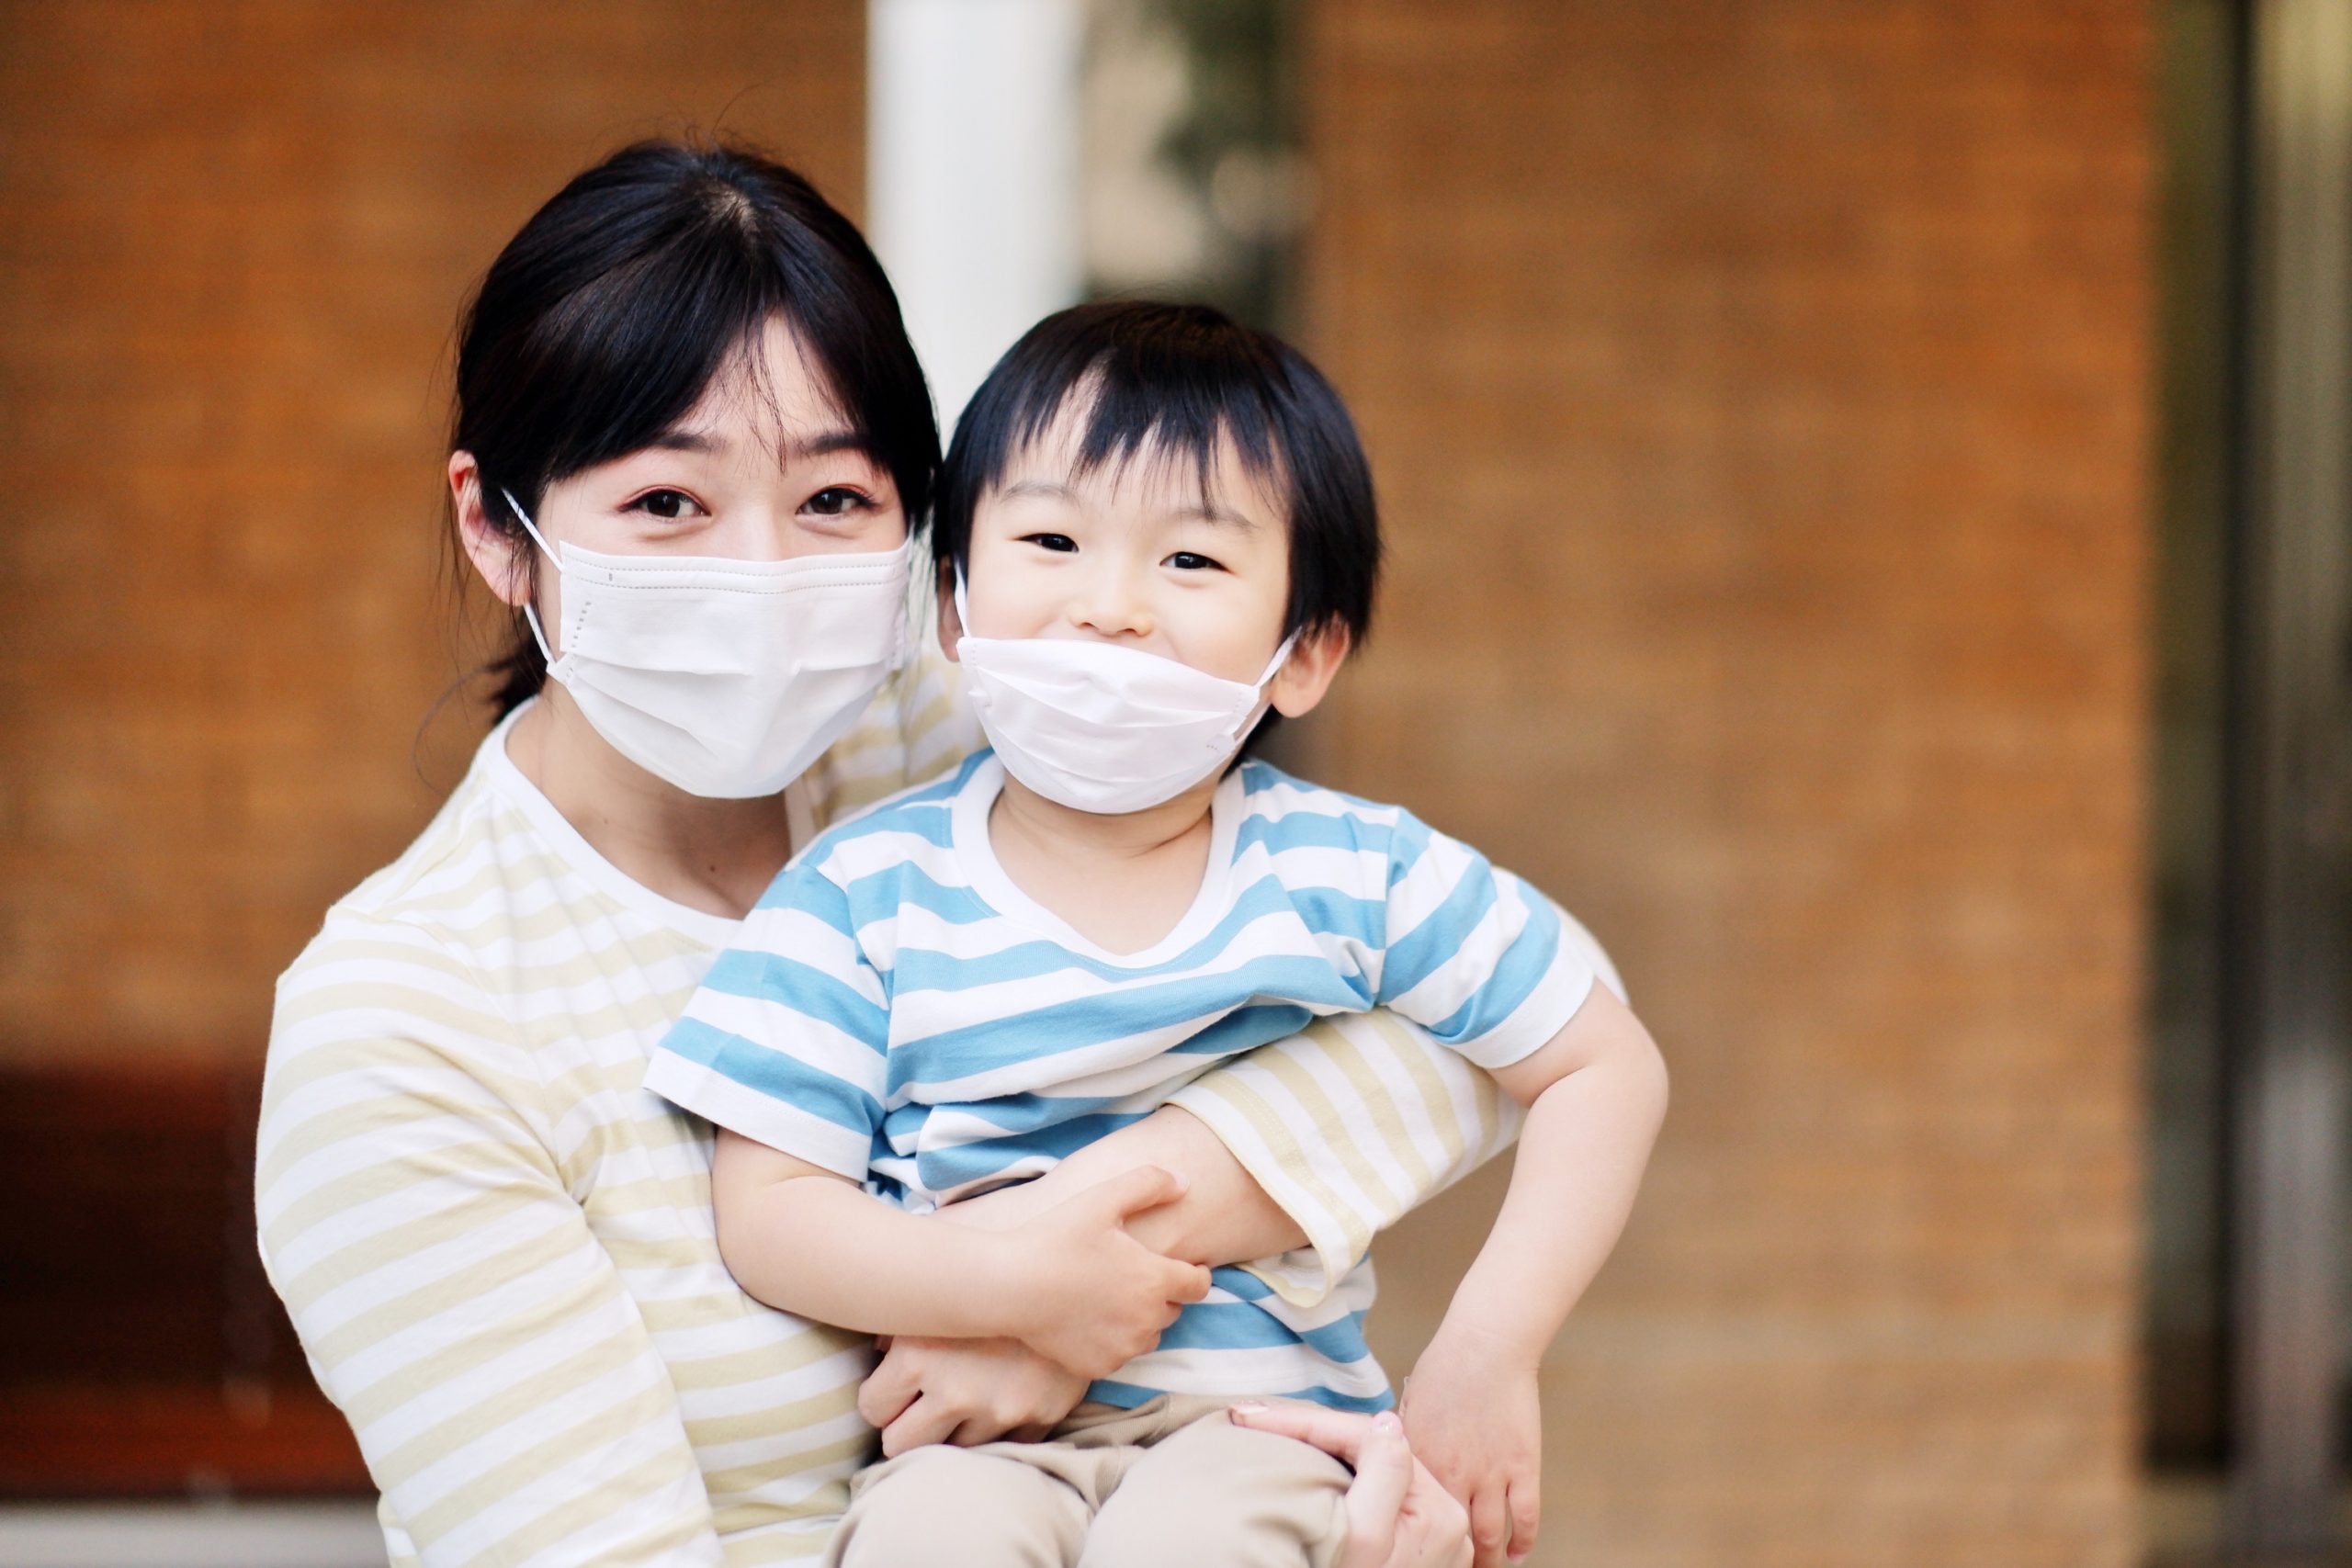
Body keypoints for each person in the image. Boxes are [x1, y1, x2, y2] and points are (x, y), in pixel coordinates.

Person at [255, 139, 1589, 1568]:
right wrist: (1028, 1293)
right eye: (666, 503)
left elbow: (1471, 1025)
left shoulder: (966, 742)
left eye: (834, 498)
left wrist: (1066, 1263)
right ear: (496, 527)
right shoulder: (403, 1026)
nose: (762, 573)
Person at [644, 302, 1669, 1568]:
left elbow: (1602, 1063)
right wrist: (1018, 1289)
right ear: (953, 605)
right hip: (969, 1452)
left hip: (1263, 1434)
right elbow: (770, 1213)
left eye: (1190, 560)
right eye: (1052, 540)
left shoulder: (1354, 874)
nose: (1111, 607)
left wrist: (1487, 1351)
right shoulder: (863, 892)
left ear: (1305, 652)